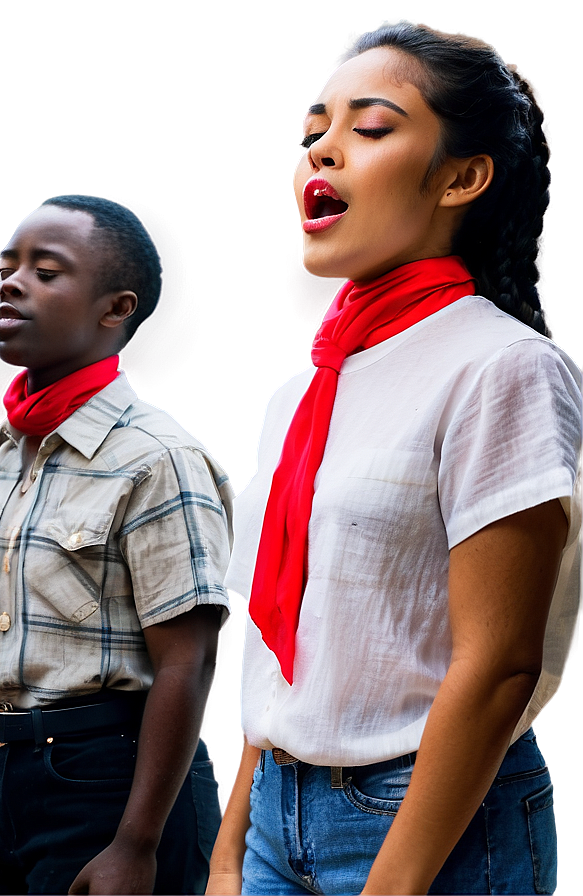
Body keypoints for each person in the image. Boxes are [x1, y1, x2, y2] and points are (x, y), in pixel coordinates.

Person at [206, 22, 582, 896]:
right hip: (272, 815)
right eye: (312, 134)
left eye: (368, 129)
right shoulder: (298, 396)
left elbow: (498, 667)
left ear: (461, 176)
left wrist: (393, 885)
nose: (323, 153)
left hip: (427, 821)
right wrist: (229, 855)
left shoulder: (502, 367)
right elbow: (280, 646)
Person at [0, 194, 233, 895]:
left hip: (104, 780)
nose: (12, 283)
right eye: (7, 267)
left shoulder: (158, 458)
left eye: (46, 271)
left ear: (116, 308)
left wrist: (137, 844)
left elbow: (185, 663)